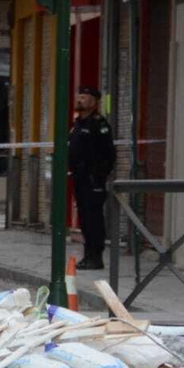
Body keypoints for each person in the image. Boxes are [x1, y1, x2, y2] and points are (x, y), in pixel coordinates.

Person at [68, 85, 115, 270]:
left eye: (85, 97)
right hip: (79, 178)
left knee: (93, 219)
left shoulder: (99, 124)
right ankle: (88, 256)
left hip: (92, 179)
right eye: (79, 96)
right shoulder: (78, 123)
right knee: (85, 220)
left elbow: (108, 154)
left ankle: (95, 257)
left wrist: (98, 176)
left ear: (94, 102)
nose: (80, 100)